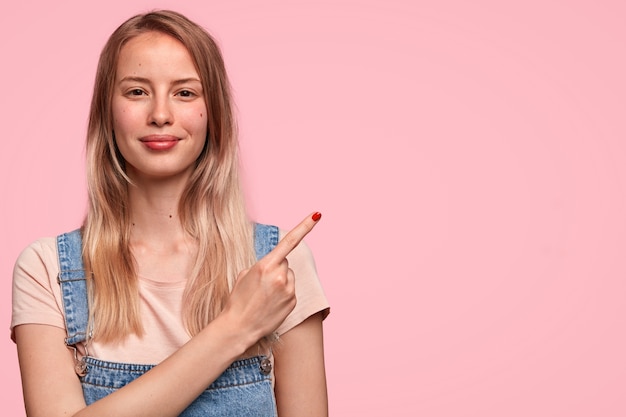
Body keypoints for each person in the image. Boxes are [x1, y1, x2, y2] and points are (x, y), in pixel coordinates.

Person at [11, 10, 329, 417]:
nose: (160, 114)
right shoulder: (48, 270)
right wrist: (235, 328)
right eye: (137, 92)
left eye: (184, 93)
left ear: (213, 113)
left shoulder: (277, 267)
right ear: (107, 111)